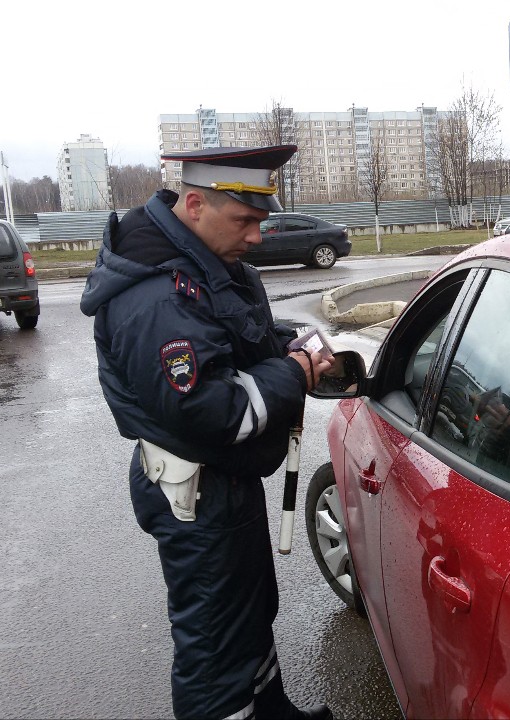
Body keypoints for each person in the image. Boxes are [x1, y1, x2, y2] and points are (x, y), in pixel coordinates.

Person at [80, 145, 334, 720]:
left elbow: (235, 336)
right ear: (194, 204)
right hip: (195, 490)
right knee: (215, 645)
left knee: (248, 612)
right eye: (245, 221)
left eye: (262, 222)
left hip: (223, 483)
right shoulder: (156, 295)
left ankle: (270, 710)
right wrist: (292, 373)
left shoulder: (200, 262)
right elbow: (213, 410)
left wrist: (286, 343)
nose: (257, 237)